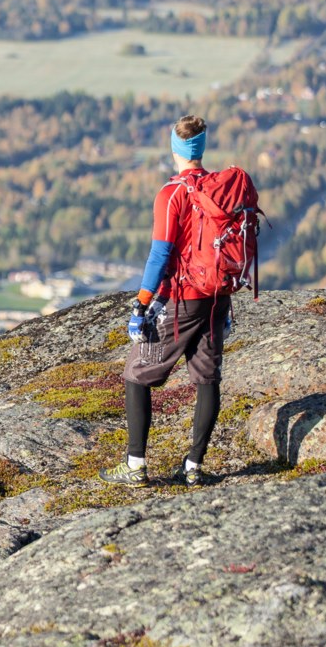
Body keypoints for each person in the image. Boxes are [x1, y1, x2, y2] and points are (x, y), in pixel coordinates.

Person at [100, 114, 255, 488]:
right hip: (217, 296)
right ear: (201, 149)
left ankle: (135, 465)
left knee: (136, 375)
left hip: (182, 296)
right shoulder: (219, 189)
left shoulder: (172, 194)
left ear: (174, 149)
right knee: (206, 378)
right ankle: (193, 467)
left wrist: (141, 303)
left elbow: (159, 256)